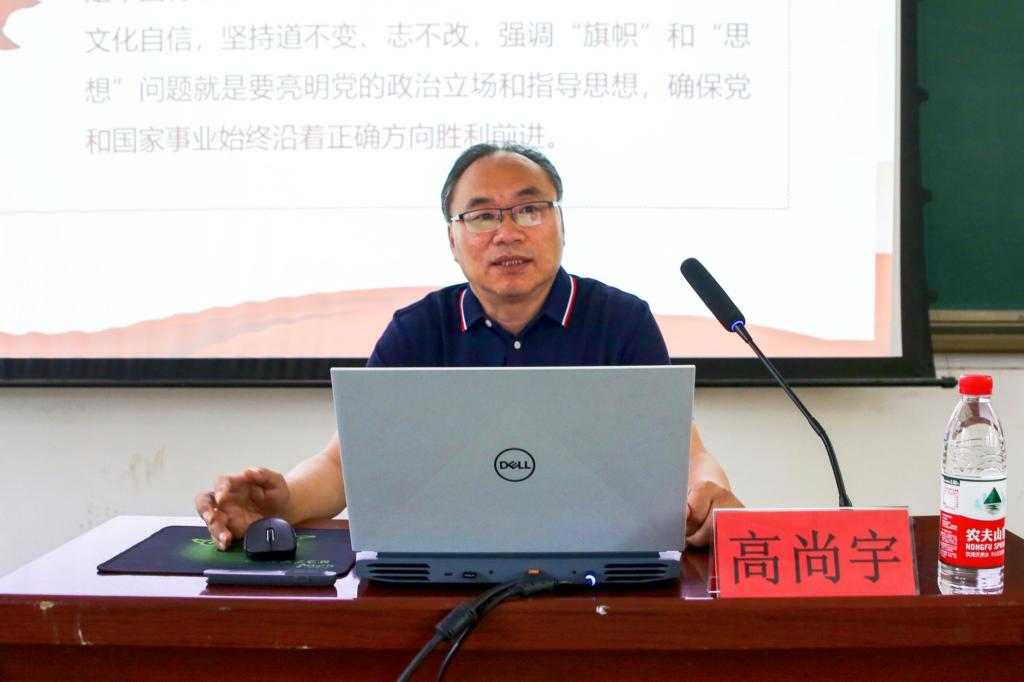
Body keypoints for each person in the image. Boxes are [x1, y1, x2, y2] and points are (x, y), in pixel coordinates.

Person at [195, 143, 742, 550]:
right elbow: (344, 465)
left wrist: (709, 490)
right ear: (452, 240)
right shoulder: (418, 330)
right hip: (445, 562)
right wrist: (283, 500)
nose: (508, 232)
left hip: (597, 556)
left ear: (561, 224)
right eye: (481, 216)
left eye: (529, 209)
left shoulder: (621, 321)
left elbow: (683, 453)